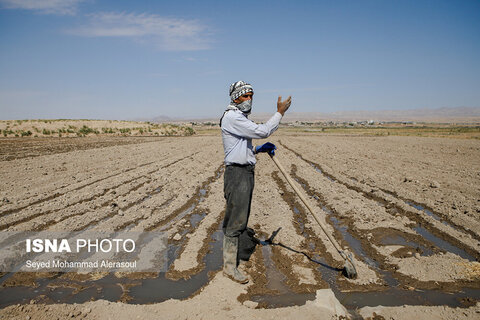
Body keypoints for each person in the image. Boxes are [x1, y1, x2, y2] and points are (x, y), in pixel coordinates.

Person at [220, 80, 292, 284]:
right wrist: (280, 113)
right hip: (238, 174)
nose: (249, 100)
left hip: (244, 172)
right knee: (235, 221)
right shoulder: (233, 116)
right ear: (235, 97)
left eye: (251, 96)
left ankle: (235, 257)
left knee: (241, 217)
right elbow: (261, 131)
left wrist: (257, 150)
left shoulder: (238, 117)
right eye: (245, 96)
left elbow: (240, 147)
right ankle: (229, 268)